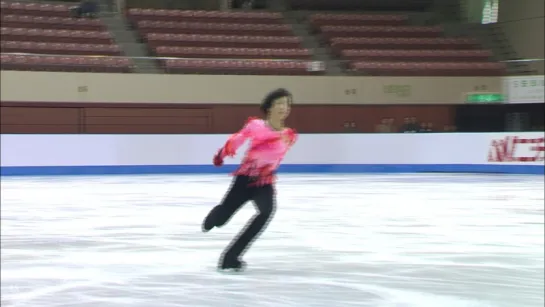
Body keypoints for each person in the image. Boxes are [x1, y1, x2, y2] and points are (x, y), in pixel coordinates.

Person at [202, 88, 297, 272]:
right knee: (222, 220)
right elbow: (237, 140)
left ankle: (231, 257)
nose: (284, 107)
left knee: (266, 212)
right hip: (244, 180)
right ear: (269, 108)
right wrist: (221, 155)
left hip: (265, 183)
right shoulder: (256, 126)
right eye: (279, 103)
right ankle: (216, 214)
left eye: (287, 104)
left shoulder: (289, 136)